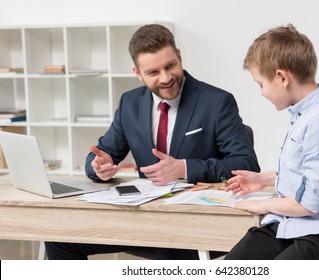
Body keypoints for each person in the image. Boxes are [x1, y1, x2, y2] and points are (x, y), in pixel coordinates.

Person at [45, 24, 260, 260]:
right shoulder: (130, 103)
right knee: (58, 238)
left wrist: (184, 168)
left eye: (170, 66)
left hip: (195, 222)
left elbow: (247, 163)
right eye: (153, 72)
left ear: (179, 56)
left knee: (169, 255)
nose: (166, 78)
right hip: (143, 217)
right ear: (138, 73)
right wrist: (98, 166)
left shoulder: (217, 102)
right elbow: (101, 154)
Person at [224, 23, 319, 260]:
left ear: (281, 77)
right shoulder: (304, 115)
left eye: (261, 84)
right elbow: (308, 175)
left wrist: (265, 205)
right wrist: (264, 178)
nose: (261, 92)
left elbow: (310, 204)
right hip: (292, 224)